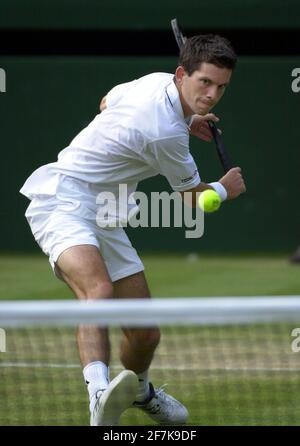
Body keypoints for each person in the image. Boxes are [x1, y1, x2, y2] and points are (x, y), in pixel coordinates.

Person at [20, 34, 246, 426]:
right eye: (204, 83)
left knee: (145, 334)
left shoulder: (153, 82)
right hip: (63, 199)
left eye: (221, 87)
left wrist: (187, 118)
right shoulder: (166, 134)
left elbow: (106, 102)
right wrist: (226, 188)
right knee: (99, 290)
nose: (211, 95)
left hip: (106, 210)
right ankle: (98, 394)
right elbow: (195, 199)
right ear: (182, 74)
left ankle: (141, 391)